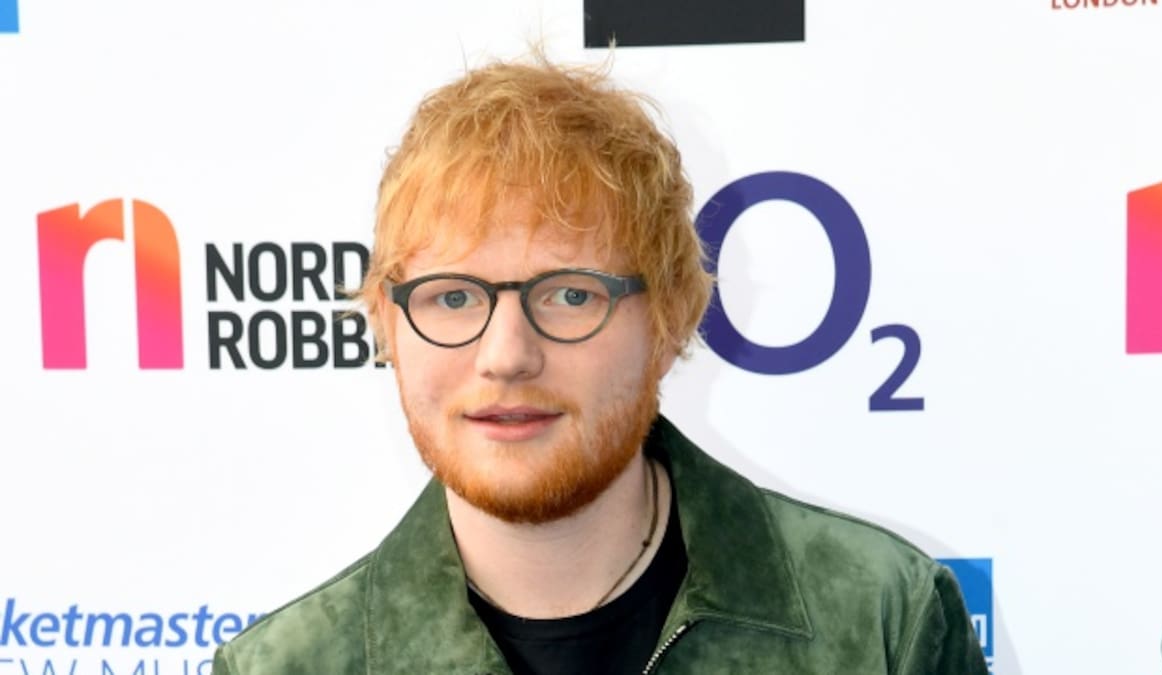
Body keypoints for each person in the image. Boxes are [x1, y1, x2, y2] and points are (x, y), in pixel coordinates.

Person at [211, 54, 989, 675]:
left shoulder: (883, 622)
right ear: (388, 322)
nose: (506, 355)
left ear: (672, 316)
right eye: (452, 297)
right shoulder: (287, 665)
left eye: (569, 295)